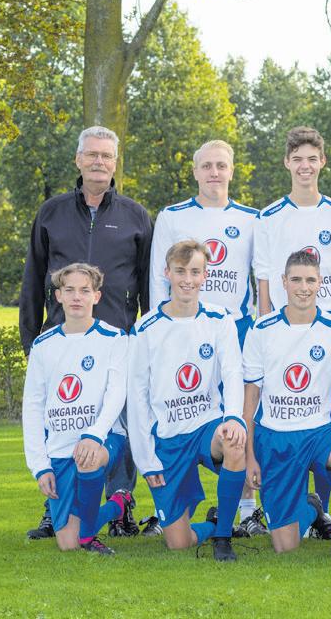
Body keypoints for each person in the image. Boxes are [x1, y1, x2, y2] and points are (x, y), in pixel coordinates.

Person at [20, 125, 153, 540]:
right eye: (92, 154)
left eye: (106, 156)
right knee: (60, 419)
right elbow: (33, 279)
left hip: (118, 340)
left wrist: (147, 340)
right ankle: (54, 506)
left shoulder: (135, 216)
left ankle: (121, 505)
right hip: (62, 338)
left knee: (118, 423)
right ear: (78, 160)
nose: (99, 162)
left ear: (115, 163)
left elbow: (147, 284)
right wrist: (30, 339)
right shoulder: (51, 213)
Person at [149, 139, 266, 537]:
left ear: (232, 170)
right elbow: (158, 278)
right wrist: (162, 328)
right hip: (182, 331)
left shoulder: (252, 218)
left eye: (221, 165)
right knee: (179, 409)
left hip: (236, 329)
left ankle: (247, 509)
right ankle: (171, 504)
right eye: (207, 166)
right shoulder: (172, 216)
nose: (214, 172)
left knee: (241, 417)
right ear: (195, 171)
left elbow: (260, 279)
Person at [242, 250, 331, 560]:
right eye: (297, 280)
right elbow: (250, 398)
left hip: (320, 433)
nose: (304, 287)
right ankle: (312, 508)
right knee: (285, 546)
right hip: (276, 437)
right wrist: (249, 457)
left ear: (320, 283)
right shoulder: (261, 329)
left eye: (310, 280)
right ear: (284, 282)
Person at [254, 125, 331, 514]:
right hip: (284, 329)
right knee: (289, 411)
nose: (305, 166)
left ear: (322, 162)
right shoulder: (269, 216)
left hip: (328, 330)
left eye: (312, 159)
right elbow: (264, 277)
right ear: (286, 163)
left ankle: (322, 510)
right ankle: (290, 502)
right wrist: (267, 326)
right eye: (297, 159)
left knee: (325, 415)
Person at [126, 240, 247, 561]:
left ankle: (223, 537)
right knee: (179, 543)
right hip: (168, 439)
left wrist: (234, 417)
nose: (188, 279)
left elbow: (233, 372)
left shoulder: (219, 319)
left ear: (205, 275)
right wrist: (146, 460)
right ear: (167, 273)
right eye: (180, 271)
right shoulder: (145, 329)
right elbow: (136, 398)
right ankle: (213, 524)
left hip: (207, 426)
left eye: (195, 272)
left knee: (234, 442)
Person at [21, 263, 130, 555]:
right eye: (69, 290)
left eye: (84, 290)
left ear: (97, 296)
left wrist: (94, 434)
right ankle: (118, 504)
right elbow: (32, 407)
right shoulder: (42, 345)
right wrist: (40, 466)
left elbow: (117, 393)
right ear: (58, 296)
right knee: (67, 544)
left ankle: (89, 538)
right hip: (60, 448)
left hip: (104, 439)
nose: (76, 297)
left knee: (88, 458)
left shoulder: (115, 338)